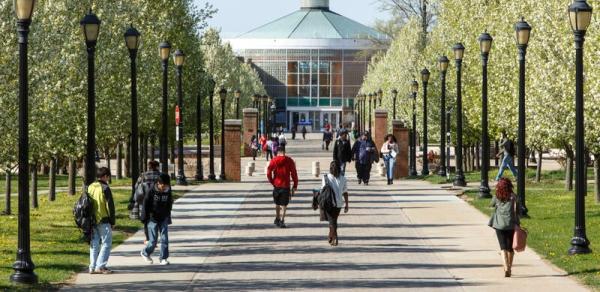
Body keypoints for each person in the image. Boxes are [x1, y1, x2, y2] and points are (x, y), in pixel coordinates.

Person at [488, 178, 521, 277]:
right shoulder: (514, 197)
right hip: (511, 225)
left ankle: (506, 268)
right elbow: (519, 211)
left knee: (503, 248)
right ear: (510, 186)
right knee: (510, 248)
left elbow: (491, 205)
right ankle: (510, 268)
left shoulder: (497, 197)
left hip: (499, 225)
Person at [140, 173, 173, 265]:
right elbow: (145, 204)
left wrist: (168, 214)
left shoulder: (168, 190)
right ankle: (145, 252)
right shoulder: (151, 191)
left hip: (163, 217)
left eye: (166, 185)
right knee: (153, 241)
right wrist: (144, 218)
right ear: (158, 183)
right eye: (163, 185)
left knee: (164, 239)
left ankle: (163, 258)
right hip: (152, 218)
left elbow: (170, 202)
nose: (164, 187)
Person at [88, 167, 115, 274]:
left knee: (94, 244)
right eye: (108, 177)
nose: (108, 179)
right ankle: (101, 266)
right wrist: (112, 221)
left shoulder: (90, 187)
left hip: (92, 219)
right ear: (105, 176)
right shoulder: (105, 188)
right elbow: (110, 206)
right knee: (106, 243)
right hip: (103, 219)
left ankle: (92, 267)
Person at [267, 145, 298, 228]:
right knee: (284, 204)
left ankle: (277, 218)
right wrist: (295, 185)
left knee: (277, 203)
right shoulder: (289, 160)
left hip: (276, 184)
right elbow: (294, 173)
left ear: (278, 152)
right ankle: (282, 220)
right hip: (286, 185)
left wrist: (272, 181)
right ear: (284, 152)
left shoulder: (274, 160)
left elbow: (268, 172)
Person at [130, 160, 161, 243]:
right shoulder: (160, 175)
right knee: (156, 220)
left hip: (144, 201)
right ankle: (154, 238)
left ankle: (147, 238)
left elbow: (136, 186)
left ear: (149, 166)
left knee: (146, 220)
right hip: (157, 201)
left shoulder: (143, 175)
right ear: (157, 166)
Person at [321, 160, 349, 246]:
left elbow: (322, 190)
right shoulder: (343, 178)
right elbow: (345, 192)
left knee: (332, 221)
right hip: (339, 204)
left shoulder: (325, 177)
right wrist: (347, 204)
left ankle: (334, 237)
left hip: (328, 203)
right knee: (333, 220)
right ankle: (331, 236)